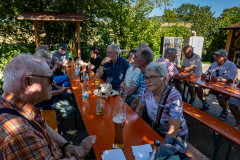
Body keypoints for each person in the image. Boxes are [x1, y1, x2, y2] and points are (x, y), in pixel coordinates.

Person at [0, 54, 96, 159]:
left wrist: (66, 145)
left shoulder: (12, 105)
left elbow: (43, 127)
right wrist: (80, 152)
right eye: (50, 78)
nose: (54, 82)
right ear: (28, 82)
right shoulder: (19, 133)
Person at [135, 62, 188, 147]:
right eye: (146, 78)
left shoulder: (174, 96)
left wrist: (161, 149)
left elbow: (173, 130)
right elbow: (139, 109)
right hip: (157, 130)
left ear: (163, 79)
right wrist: (135, 128)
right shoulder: (147, 91)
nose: (147, 81)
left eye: (152, 77)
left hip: (176, 136)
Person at [196, 49, 237, 120]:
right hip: (212, 85)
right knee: (198, 88)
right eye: (215, 55)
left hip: (225, 87)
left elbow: (233, 80)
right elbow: (208, 73)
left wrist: (219, 79)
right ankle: (205, 104)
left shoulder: (231, 65)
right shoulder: (214, 64)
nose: (214, 57)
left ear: (223, 57)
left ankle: (224, 110)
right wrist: (204, 75)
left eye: (217, 56)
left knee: (220, 96)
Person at [34, 49, 74, 122]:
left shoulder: (44, 70)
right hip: (45, 103)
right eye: (48, 58)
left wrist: (63, 88)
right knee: (70, 110)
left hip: (51, 97)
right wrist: (61, 90)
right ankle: (55, 121)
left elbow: (53, 85)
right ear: (41, 60)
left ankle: (56, 119)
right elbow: (46, 93)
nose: (50, 60)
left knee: (71, 99)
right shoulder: (40, 74)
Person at [125, 45, 154, 111]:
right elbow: (132, 88)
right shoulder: (142, 73)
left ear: (143, 60)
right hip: (141, 102)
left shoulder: (151, 75)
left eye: (135, 57)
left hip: (149, 108)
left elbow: (145, 99)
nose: (133, 59)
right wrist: (121, 99)